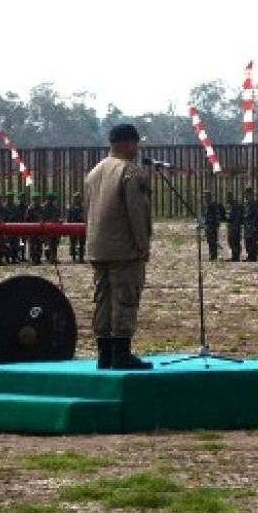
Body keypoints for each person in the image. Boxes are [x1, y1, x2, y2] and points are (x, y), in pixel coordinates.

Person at [83, 123, 153, 371]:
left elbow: (87, 211)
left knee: (103, 300)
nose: (137, 149)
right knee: (125, 298)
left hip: (97, 247)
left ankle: (104, 355)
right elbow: (136, 212)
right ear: (126, 143)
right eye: (135, 143)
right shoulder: (129, 172)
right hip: (124, 248)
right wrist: (143, 245)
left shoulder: (94, 172)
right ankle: (121, 354)